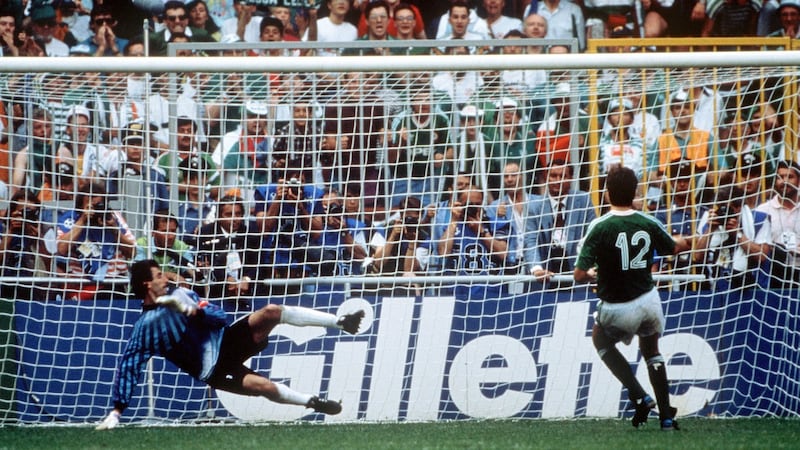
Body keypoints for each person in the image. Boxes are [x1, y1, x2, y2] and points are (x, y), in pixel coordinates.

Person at [95, 258, 365, 430]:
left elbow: (221, 317)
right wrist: (117, 411)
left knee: (271, 311)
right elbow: (130, 366)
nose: (166, 277)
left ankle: (341, 322)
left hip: (226, 339)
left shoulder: (182, 294)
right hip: (213, 369)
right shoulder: (145, 328)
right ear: (147, 284)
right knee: (265, 387)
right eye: (158, 275)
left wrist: (196, 312)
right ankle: (315, 402)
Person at [574, 164, 693, 431]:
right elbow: (673, 248)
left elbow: (579, 275)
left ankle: (640, 394)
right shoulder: (647, 221)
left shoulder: (600, 226)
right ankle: (666, 416)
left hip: (617, 307)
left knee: (600, 339)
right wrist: (692, 240)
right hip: (648, 300)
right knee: (652, 352)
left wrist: (594, 271)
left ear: (606, 193)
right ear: (635, 192)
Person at [526, 159, 597, 281]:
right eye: (553, 176)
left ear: (570, 178)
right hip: (545, 276)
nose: (558, 180)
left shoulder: (583, 200)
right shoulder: (534, 206)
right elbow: (530, 241)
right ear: (546, 177)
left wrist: (589, 266)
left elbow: (593, 237)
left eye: (563, 176)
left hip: (577, 273)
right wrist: (537, 269)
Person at [755, 160, 800, 288]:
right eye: (780, 177)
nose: (784, 181)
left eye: (790, 177)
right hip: (773, 274)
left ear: (799, 180)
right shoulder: (762, 210)